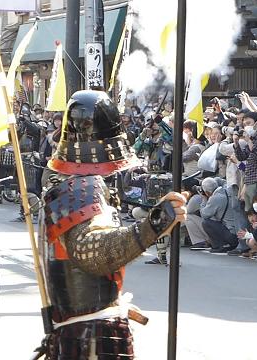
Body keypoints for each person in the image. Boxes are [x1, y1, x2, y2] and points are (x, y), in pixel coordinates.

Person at [38, 90, 186, 358]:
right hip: (91, 338)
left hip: (80, 328)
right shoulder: (82, 187)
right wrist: (153, 224)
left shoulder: (64, 185)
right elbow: (91, 251)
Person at [234, 112, 257, 211]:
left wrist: (249, 141)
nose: (246, 126)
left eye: (249, 123)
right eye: (245, 124)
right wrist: (236, 144)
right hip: (249, 180)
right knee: (249, 211)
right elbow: (242, 157)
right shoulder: (251, 139)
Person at [200, 177, 240, 253]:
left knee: (206, 223)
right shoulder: (228, 189)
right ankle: (226, 244)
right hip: (238, 233)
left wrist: (204, 199)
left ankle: (219, 246)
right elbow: (224, 181)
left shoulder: (215, 198)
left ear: (207, 192)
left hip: (231, 235)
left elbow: (204, 214)